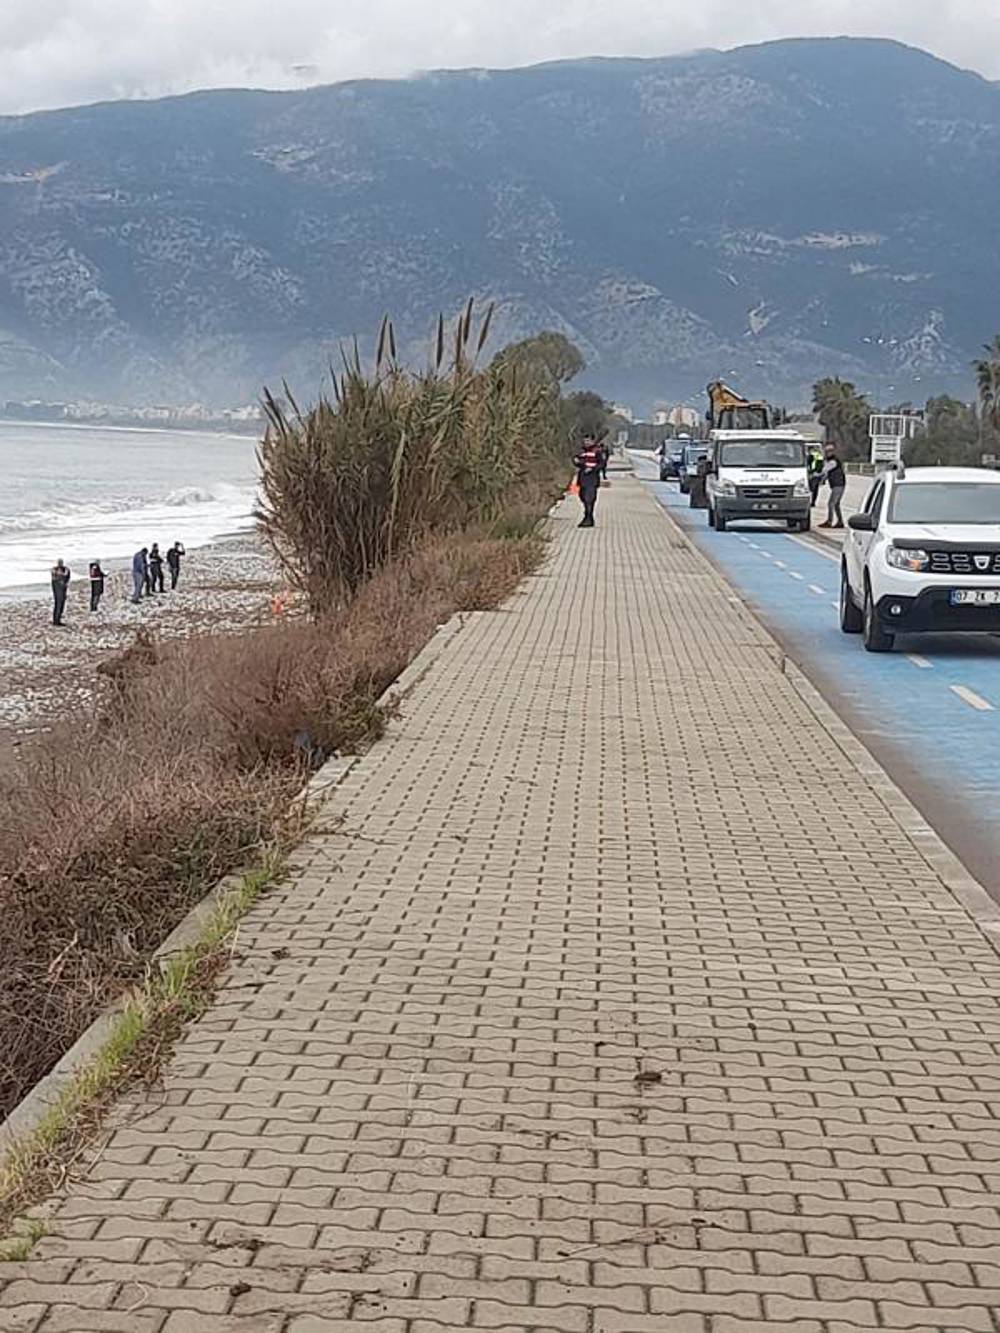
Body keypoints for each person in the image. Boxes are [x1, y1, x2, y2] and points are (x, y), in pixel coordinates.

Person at [574, 437, 603, 528]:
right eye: (585, 441)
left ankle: (588, 517)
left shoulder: (597, 451)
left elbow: (601, 464)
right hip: (582, 478)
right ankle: (588, 516)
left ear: (593, 442)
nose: (586, 443)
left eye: (588, 441)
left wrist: (592, 469)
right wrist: (577, 462)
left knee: (589, 499)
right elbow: (578, 461)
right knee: (582, 496)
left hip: (592, 479)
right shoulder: (581, 451)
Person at [819, 444, 847, 529]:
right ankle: (840, 522)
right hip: (838, 484)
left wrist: (817, 476)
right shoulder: (832, 461)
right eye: (827, 451)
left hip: (838, 484)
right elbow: (827, 473)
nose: (827, 453)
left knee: (831, 503)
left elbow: (825, 470)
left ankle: (829, 521)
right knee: (836, 504)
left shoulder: (833, 461)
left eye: (829, 451)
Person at [51, 559, 71, 626]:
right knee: (58, 604)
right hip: (57, 589)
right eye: (59, 562)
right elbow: (55, 576)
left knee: (61, 604)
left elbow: (67, 577)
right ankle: (56, 620)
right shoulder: (54, 570)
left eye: (61, 562)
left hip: (62, 589)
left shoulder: (65, 569)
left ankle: (58, 619)